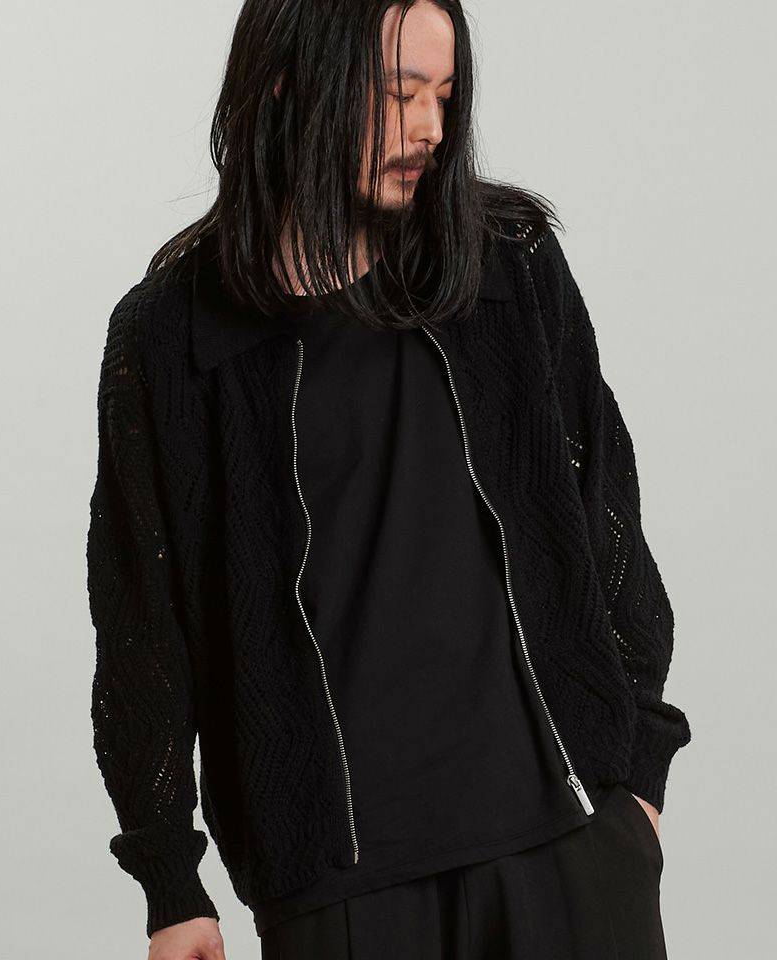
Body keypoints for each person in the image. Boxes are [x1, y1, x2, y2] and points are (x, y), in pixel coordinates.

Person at [85, 1, 692, 958]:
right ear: (286, 82)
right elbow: (141, 628)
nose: (431, 128)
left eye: (445, 95)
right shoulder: (172, 333)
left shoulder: (509, 265)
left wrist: (639, 776)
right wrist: (172, 885)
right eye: (401, 93)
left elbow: (608, 509)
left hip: (571, 840)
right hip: (338, 890)